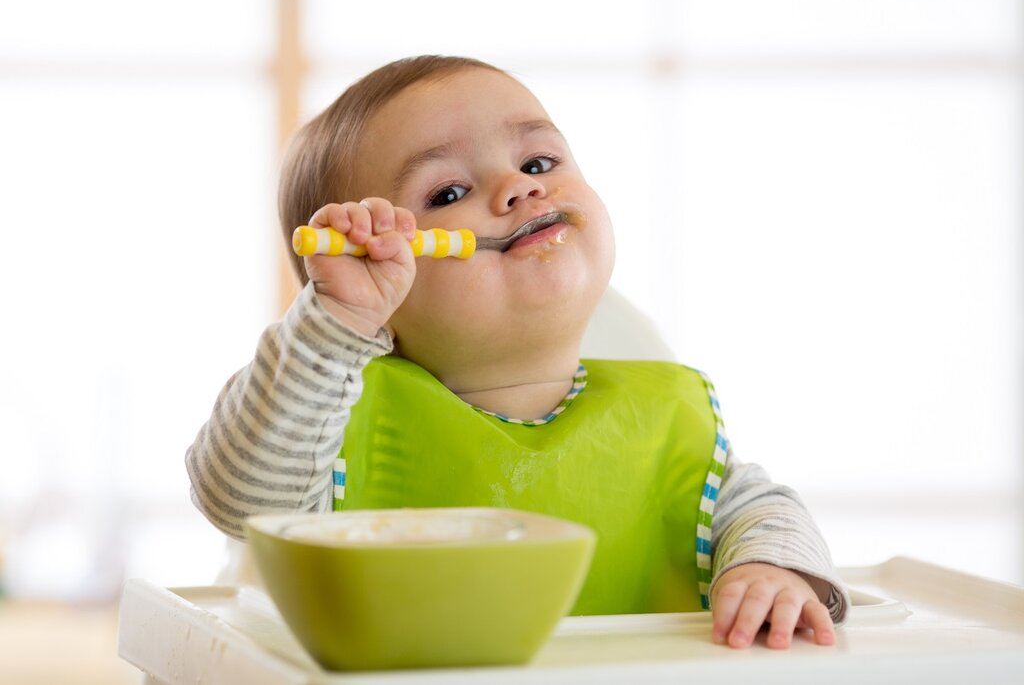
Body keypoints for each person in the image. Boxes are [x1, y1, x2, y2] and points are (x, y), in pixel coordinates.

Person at [186, 55, 850, 650]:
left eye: (538, 163)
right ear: (376, 283)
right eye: (447, 193)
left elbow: (769, 514)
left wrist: (770, 572)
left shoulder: (669, 424)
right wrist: (335, 322)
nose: (517, 186)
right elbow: (240, 502)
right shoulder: (333, 437)